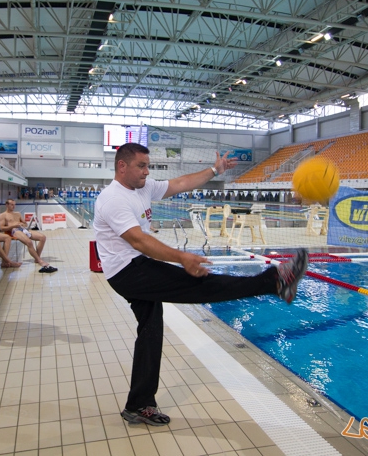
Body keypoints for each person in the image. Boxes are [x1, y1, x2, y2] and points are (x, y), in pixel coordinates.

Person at [94, 143, 309, 426]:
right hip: (127, 271)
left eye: (148, 166)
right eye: (141, 166)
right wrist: (181, 257)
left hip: (135, 266)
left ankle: (138, 405)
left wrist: (214, 170)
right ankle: (274, 282)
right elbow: (139, 240)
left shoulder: (142, 188)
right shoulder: (113, 199)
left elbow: (181, 183)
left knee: (151, 331)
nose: (147, 172)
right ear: (122, 166)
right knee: (202, 284)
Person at [0, 199, 57, 273]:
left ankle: (37, 257)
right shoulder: (3, 215)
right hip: (14, 231)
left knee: (43, 237)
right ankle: (39, 260)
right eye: (11, 205)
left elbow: (25, 223)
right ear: (7, 205)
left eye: (14, 204)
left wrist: (23, 224)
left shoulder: (18, 214)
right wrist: (14, 225)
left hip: (23, 229)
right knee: (29, 242)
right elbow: (1, 228)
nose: (13, 206)